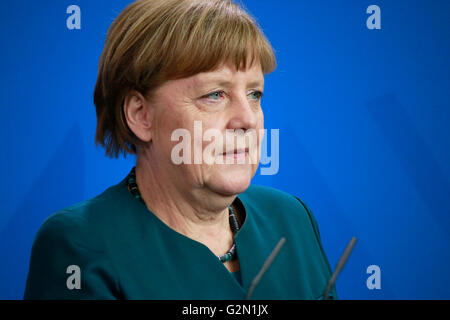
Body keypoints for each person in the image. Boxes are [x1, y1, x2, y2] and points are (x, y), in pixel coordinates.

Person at [24, 0, 337, 300]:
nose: (247, 119)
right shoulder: (80, 244)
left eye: (254, 94)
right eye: (215, 94)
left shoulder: (292, 218)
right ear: (141, 115)